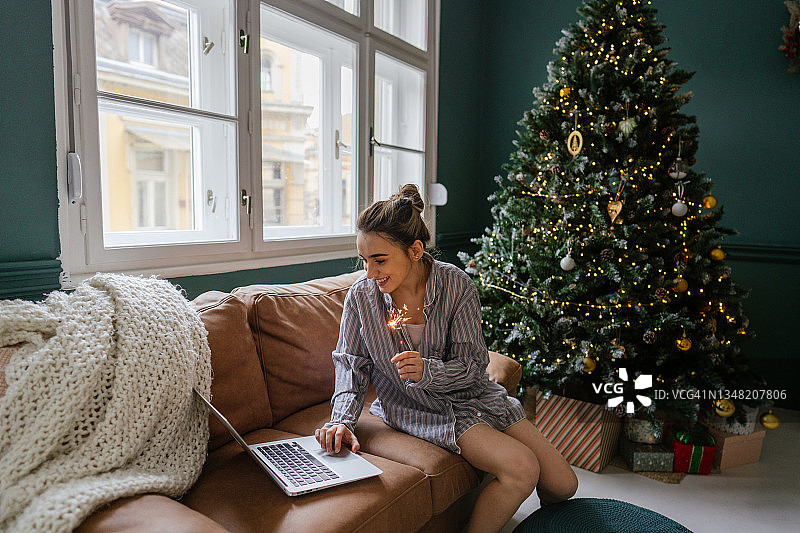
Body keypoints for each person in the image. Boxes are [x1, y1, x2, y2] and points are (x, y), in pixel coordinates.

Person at [315, 184, 578, 532]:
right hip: (421, 408)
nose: (369, 272)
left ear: (415, 250)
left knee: (564, 486)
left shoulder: (457, 285)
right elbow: (350, 365)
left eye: (379, 260)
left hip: (475, 395)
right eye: (364, 260)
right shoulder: (362, 298)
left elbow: (473, 365)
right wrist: (342, 421)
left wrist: (429, 371)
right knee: (522, 468)